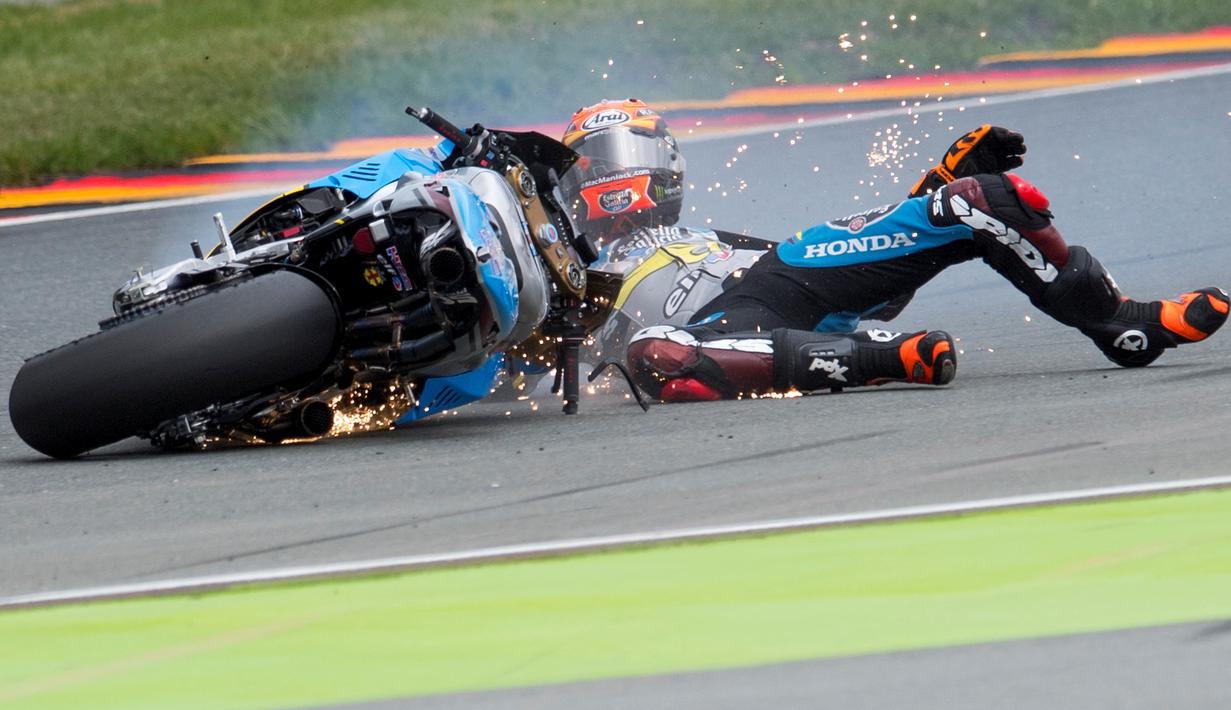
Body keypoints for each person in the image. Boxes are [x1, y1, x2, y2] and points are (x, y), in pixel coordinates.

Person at [558, 99, 1229, 402]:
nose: (618, 172)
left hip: (777, 288)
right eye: (599, 159)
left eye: (637, 153)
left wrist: (930, 189)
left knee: (980, 197)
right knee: (659, 358)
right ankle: (885, 360)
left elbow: (862, 269)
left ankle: (1120, 324)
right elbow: (493, 368)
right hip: (708, 337)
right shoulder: (558, 265)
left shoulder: (702, 238)